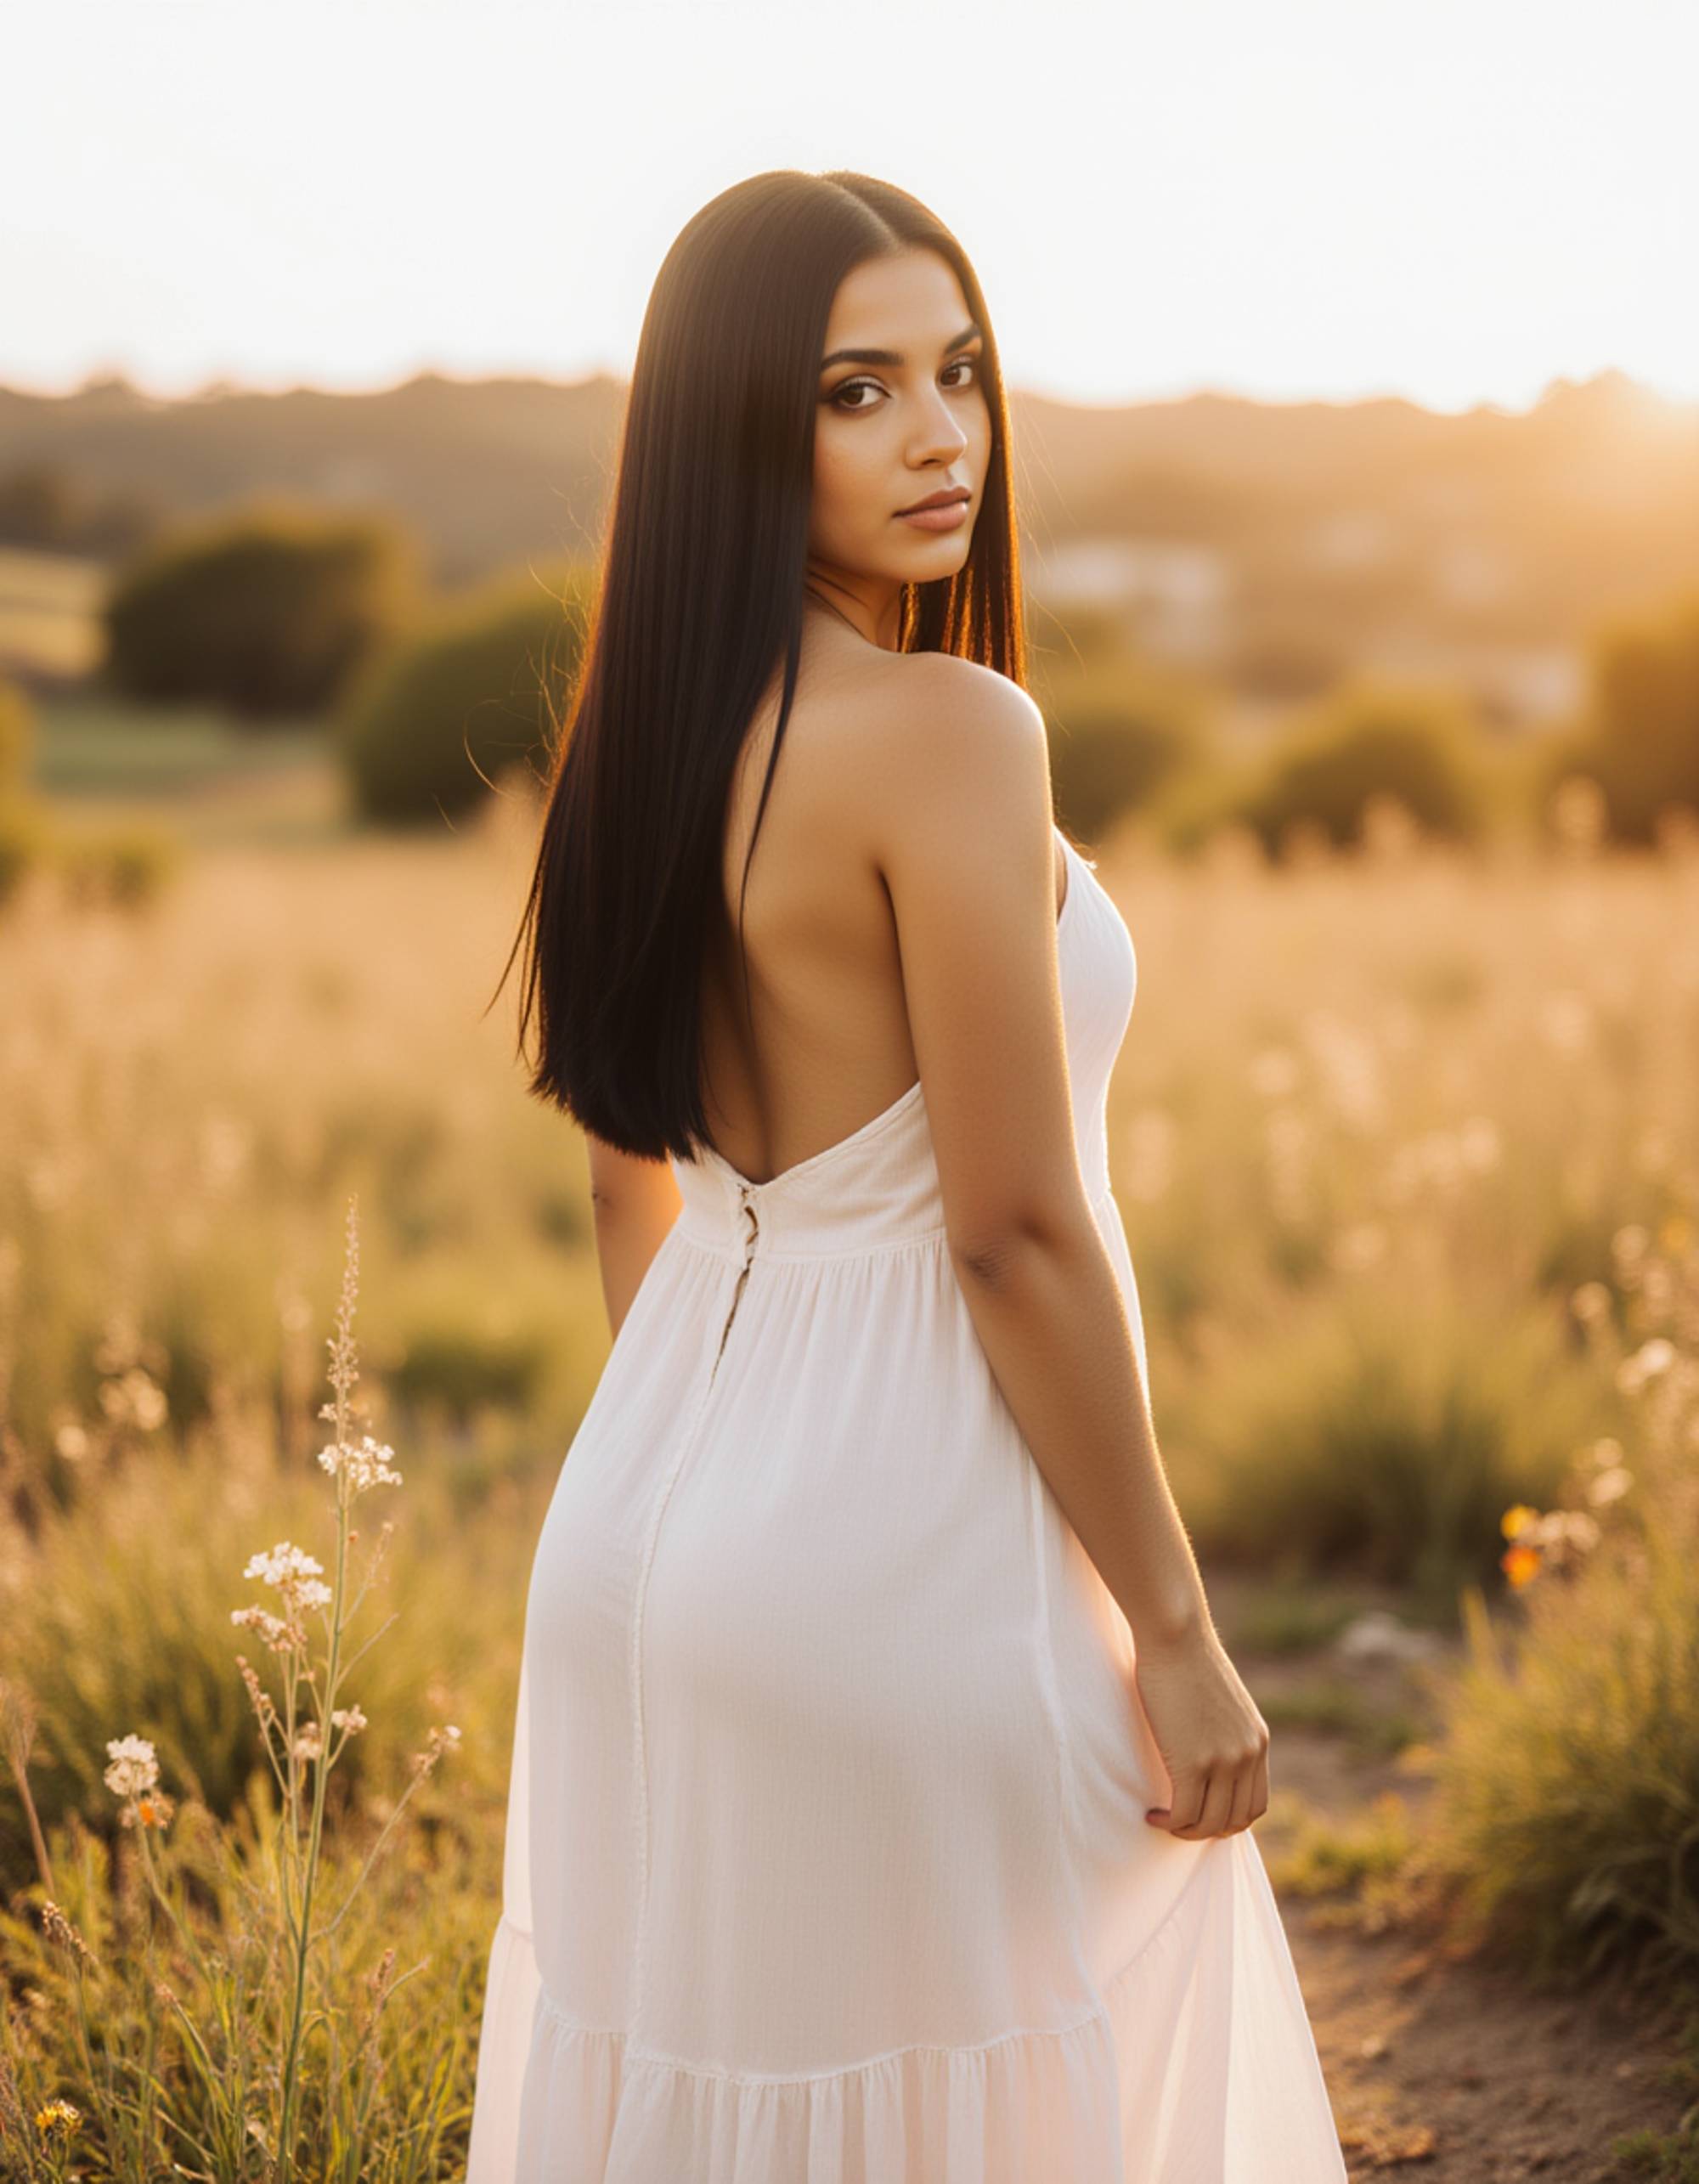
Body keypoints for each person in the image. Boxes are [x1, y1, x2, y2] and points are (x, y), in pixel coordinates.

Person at [467, 168, 1348, 2182]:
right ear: (736, 426)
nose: (940, 434)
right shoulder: (952, 728)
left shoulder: (638, 742)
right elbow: (1014, 1228)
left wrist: (718, 1493)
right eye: (854, 389)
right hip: (900, 1557)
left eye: (956, 373)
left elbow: (634, 1194)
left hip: (637, 1542)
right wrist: (1182, 1625)